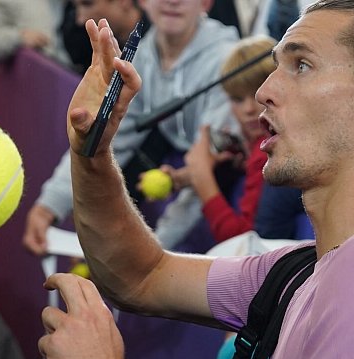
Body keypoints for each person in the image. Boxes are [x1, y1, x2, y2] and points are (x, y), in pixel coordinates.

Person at [41, 0, 354, 359]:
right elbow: (141, 276)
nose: (264, 91)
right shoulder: (304, 270)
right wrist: (92, 152)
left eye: (302, 65)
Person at [23, 0, 239, 255]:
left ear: (206, 3)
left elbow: (205, 174)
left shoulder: (226, 59)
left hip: (222, 203)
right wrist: (49, 206)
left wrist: (152, 253)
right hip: (180, 195)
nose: (173, 1)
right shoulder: (142, 56)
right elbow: (111, 136)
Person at [167, 35, 276, 243]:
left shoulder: (265, 153)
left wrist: (203, 180)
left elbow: (243, 243)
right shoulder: (254, 149)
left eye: (257, 94)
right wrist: (190, 177)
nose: (248, 109)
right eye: (237, 99)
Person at [0, 0, 72, 65]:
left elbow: (56, 46)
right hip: (20, 84)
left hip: (54, 82)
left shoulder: (60, 4)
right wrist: (19, 37)